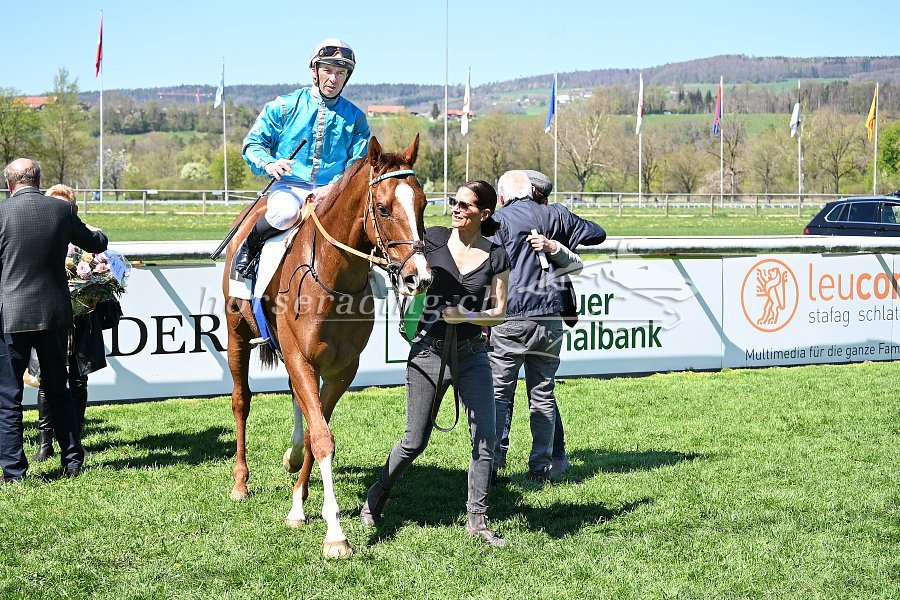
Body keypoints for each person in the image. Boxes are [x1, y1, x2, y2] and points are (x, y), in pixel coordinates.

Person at [360, 181, 510, 547]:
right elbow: (394, 258)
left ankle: (477, 519)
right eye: (455, 202)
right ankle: (377, 493)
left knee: (485, 436)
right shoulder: (433, 239)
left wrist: (466, 317)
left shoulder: (496, 255)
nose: (456, 208)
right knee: (414, 441)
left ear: (484, 214)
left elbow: (499, 314)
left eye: (465, 205)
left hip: (473, 354)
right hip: (428, 353)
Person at [489, 170, 606, 482]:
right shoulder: (556, 214)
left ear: (502, 197)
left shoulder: (498, 220)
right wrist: (558, 243)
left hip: (510, 317)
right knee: (542, 394)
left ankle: (492, 464)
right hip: (550, 317)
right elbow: (597, 233)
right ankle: (541, 466)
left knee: (499, 396)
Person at [0, 159, 108, 481]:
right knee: (58, 388)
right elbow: (95, 243)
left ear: (9, 184)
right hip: (53, 314)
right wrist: (99, 234)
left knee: (8, 397)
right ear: (38, 179)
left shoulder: (2, 213)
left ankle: (14, 471)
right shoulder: (61, 211)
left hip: (11, 316)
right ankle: (72, 461)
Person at [236, 38, 370, 278]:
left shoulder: (356, 118)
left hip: (334, 191)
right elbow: (252, 144)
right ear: (314, 72)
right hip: (290, 187)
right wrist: (269, 163)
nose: (333, 78)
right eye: (327, 70)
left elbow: (358, 163)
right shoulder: (283, 106)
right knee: (285, 215)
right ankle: (250, 245)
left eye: (340, 73)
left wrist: (335, 187)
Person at [31, 184, 109, 463]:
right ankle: (45, 443)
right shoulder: (38, 232)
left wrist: (94, 290)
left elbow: (106, 268)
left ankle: (76, 439)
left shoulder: (87, 234)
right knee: (47, 379)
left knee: (78, 379)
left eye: (63, 205)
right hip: (48, 315)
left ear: (73, 209)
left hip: (82, 319)